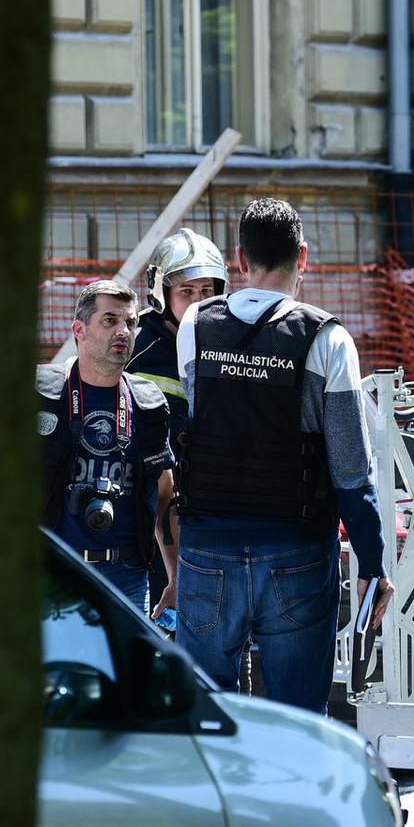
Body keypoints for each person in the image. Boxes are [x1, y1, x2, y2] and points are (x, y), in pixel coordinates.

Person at [174, 197, 395, 714]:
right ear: (303, 255)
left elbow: (203, 422)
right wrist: (373, 561)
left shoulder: (195, 327)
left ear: (239, 257)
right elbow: (349, 468)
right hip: (294, 553)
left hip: (207, 551)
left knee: (205, 724)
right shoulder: (329, 339)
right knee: (297, 724)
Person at [38, 280, 179, 617]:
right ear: (79, 329)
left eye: (130, 323)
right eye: (110, 320)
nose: (123, 331)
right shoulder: (40, 393)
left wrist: (176, 576)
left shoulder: (148, 404)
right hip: (51, 576)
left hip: (127, 578)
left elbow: (163, 494)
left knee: (125, 672)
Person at [127, 227, 228, 623]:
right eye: (187, 292)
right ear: (160, 294)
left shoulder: (227, 346)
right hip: (157, 538)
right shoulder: (139, 354)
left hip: (217, 527)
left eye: (208, 291)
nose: (200, 303)